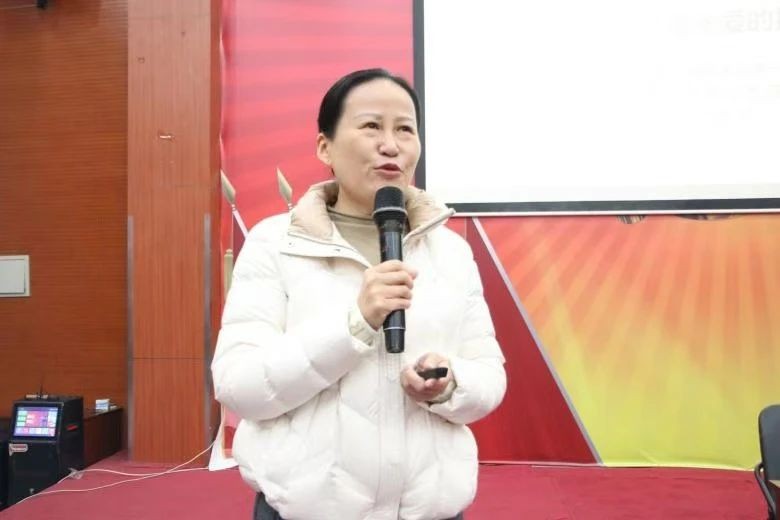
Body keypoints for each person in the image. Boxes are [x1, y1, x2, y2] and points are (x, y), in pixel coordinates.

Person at [212, 68, 507, 520]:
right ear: (324, 146)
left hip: (429, 511)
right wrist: (355, 323)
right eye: (371, 126)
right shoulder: (275, 243)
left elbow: (489, 375)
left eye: (405, 129)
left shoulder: (450, 251)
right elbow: (239, 386)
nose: (391, 144)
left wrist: (450, 384)